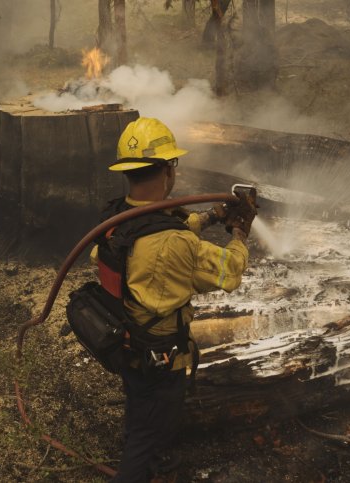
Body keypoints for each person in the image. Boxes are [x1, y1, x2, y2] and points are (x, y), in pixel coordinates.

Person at [95, 117, 257, 482]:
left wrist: (213, 216)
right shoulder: (175, 244)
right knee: (147, 433)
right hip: (159, 357)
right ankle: (140, 466)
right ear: (169, 170)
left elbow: (157, 231)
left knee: (141, 413)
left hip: (127, 341)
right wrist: (240, 234)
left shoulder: (118, 216)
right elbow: (228, 272)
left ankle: (146, 452)